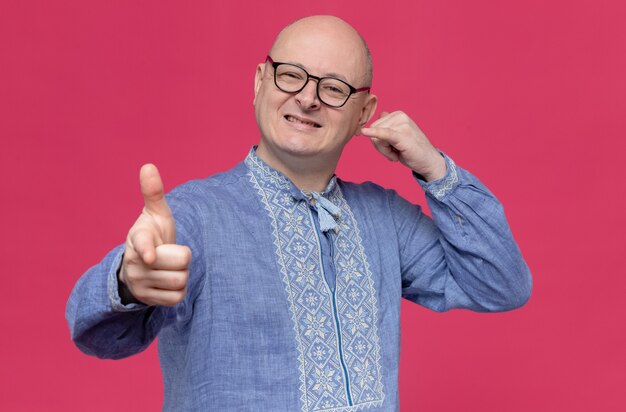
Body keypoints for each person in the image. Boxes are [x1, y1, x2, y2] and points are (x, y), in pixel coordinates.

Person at [66, 15, 532, 412]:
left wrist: (434, 168)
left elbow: (500, 283)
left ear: (363, 112)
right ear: (259, 82)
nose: (307, 98)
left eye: (333, 88)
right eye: (291, 75)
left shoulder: (385, 219)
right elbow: (96, 333)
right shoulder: (195, 215)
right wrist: (130, 283)